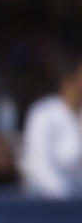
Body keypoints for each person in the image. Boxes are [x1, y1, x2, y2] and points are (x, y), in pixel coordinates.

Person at [22, 51, 82, 198]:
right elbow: (39, 167)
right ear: (69, 79)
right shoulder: (43, 114)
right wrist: (67, 198)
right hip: (48, 206)